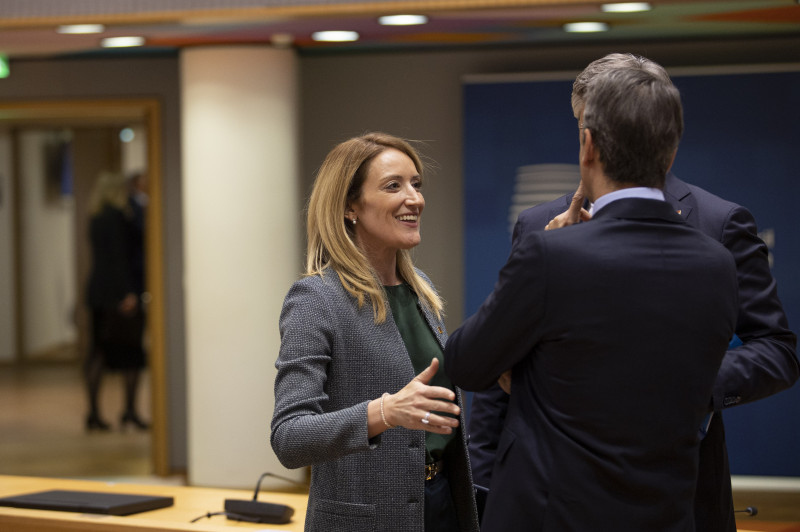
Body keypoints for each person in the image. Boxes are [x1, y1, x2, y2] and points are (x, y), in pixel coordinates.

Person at [467, 53, 799, 532]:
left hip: (676, 493)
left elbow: (776, 351)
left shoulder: (719, 223)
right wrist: (482, 487)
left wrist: (681, 385)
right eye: (588, 126)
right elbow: (502, 359)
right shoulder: (538, 225)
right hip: (548, 498)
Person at [270, 132, 480, 532]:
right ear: (350, 206)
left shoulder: (419, 290)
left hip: (442, 507)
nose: (414, 198)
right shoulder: (317, 298)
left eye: (416, 184)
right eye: (393, 186)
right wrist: (384, 412)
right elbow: (289, 436)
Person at [85, 171, 148, 431]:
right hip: (118, 295)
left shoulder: (96, 217)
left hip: (97, 292)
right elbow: (119, 259)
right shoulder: (117, 217)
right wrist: (128, 294)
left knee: (97, 352)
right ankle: (129, 411)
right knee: (131, 354)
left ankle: (94, 413)